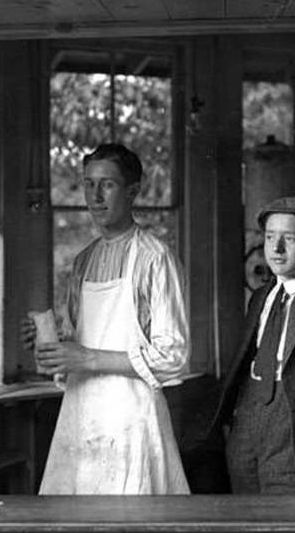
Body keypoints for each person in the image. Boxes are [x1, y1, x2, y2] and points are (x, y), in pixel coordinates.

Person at [21, 143, 190, 495]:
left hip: (132, 420)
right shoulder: (82, 262)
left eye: (107, 184)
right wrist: (50, 345)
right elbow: (74, 342)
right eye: (88, 183)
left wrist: (87, 358)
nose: (95, 196)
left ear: (132, 191)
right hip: (82, 416)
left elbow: (173, 358)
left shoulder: (155, 259)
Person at [210, 196, 295, 494]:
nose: (276, 248)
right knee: (247, 515)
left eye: (289, 238)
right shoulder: (261, 296)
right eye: (270, 237)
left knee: (289, 516)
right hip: (248, 419)